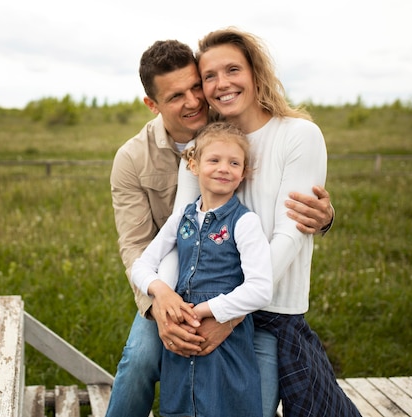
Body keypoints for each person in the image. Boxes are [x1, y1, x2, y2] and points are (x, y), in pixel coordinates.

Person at [107, 39, 334, 417]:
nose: (195, 100)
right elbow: (140, 245)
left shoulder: (224, 131)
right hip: (174, 287)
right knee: (140, 358)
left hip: (245, 297)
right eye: (177, 95)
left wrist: (326, 217)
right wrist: (165, 303)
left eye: (197, 86)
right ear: (153, 104)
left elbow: (290, 215)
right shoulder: (136, 158)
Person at [169, 26, 361, 417]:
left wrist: (231, 312)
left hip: (270, 314)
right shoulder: (202, 147)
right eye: (209, 76)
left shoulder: (299, 136)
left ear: (255, 72)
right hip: (202, 308)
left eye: (232, 70)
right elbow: (180, 227)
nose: (222, 83)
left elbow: (290, 234)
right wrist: (173, 307)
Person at [131, 121, 273, 417]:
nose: (224, 168)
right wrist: (162, 292)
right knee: (182, 405)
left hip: (225, 341)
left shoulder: (244, 222)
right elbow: (142, 265)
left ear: (243, 172)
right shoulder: (181, 218)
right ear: (193, 165)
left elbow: (260, 289)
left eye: (234, 162)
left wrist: (205, 310)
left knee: (224, 407)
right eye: (214, 160)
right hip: (182, 341)